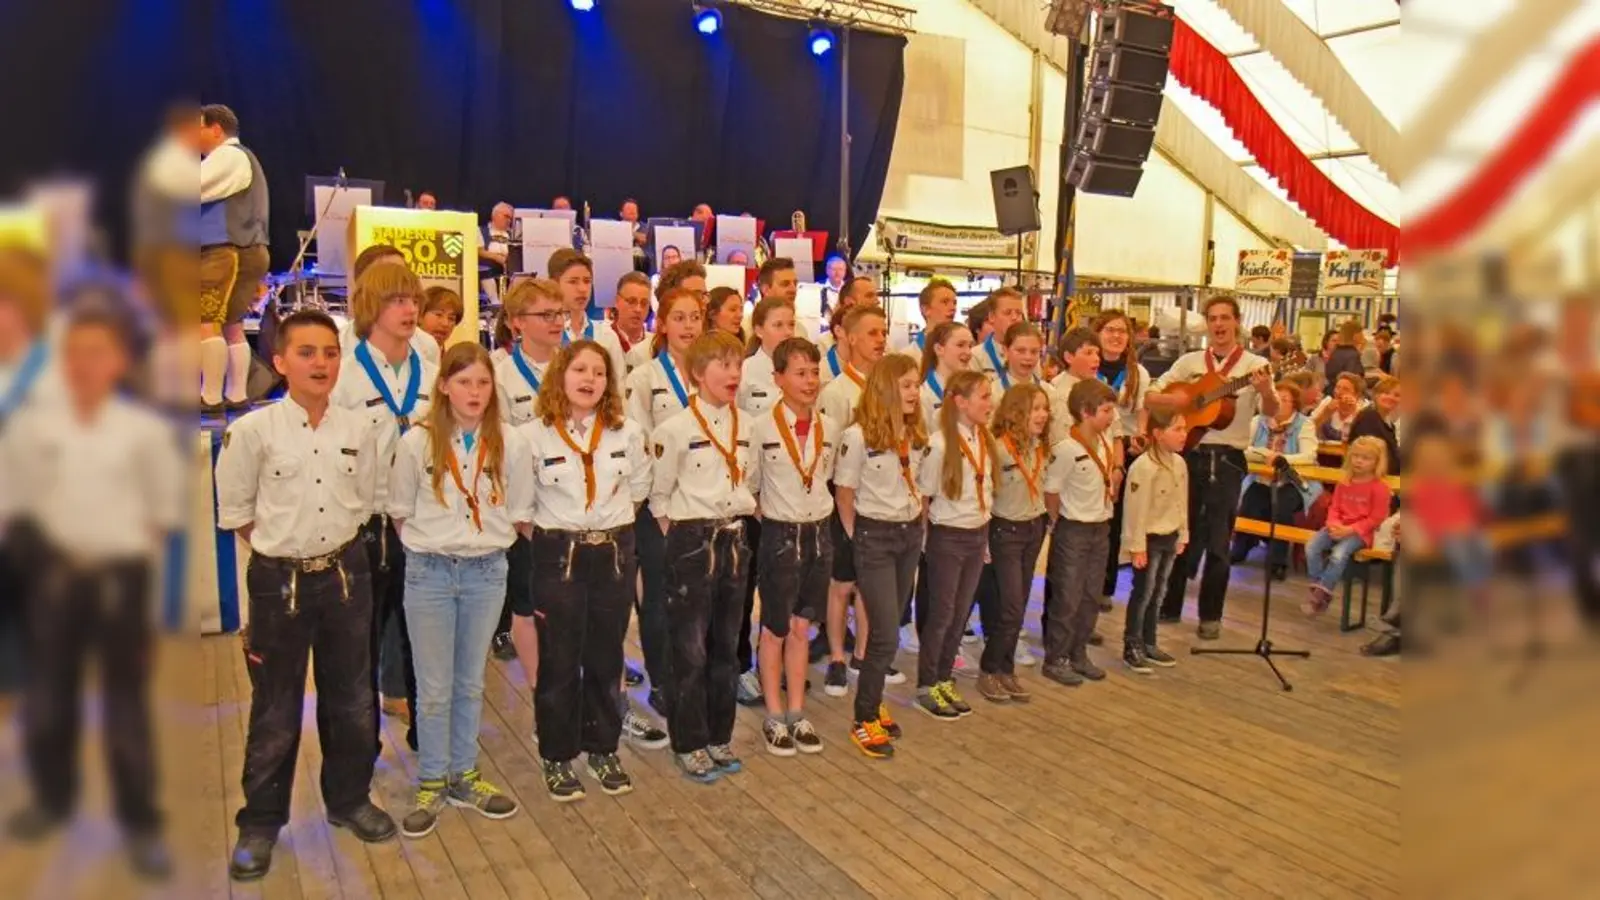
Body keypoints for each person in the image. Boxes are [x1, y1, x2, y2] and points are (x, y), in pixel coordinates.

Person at [215, 309, 397, 882]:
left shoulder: (358, 430)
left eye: (329, 352)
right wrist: (286, 553)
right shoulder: (251, 433)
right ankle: (261, 823)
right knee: (275, 708)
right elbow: (239, 514)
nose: (321, 363)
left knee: (351, 699)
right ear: (279, 361)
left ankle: (349, 800)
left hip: (347, 577)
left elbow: (368, 502)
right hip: (280, 584)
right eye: (307, 353)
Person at [1, 311, 182, 879]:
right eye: (73, 352)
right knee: (48, 700)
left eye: (98, 351)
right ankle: (52, 799)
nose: (84, 364)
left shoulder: (144, 432)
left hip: (120, 581)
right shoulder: (34, 430)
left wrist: (147, 607)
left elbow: (161, 517)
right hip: (51, 580)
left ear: (120, 362)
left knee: (127, 709)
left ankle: (141, 823)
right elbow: (13, 507)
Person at [389, 343, 531, 836]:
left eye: (483, 383)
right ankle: (432, 779)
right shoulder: (416, 442)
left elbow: (520, 506)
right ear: (444, 386)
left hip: (486, 572)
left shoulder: (511, 441)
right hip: (428, 572)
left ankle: (465, 774)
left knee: (471, 681)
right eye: (464, 381)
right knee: (431, 687)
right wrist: (433, 546)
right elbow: (400, 510)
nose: (474, 392)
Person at [520, 340, 657, 801]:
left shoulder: (627, 432)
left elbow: (638, 489)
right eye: (579, 370)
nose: (589, 380)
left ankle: (602, 747)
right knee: (558, 660)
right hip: (559, 555)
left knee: (606, 655)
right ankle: (557, 755)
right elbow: (521, 508)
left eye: (598, 373)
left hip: (613, 553)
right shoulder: (533, 436)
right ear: (560, 376)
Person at [331, 262, 439, 756]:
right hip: (366, 524)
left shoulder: (432, 368)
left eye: (413, 299)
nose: (409, 309)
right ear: (371, 306)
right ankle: (361, 746)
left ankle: (427, 733)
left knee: (422, 635)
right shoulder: (344, 372)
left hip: (419, 521)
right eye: (397, 300)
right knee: (361, 642)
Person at [651, 331, 756, 783]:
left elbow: (749, 483)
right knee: (689, 650)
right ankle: (689, 740)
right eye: (722, 365)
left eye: (737, 365)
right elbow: (658, 497)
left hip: (735, 538)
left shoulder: (748, 426)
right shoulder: (673, 429)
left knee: (727, 649)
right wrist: (684, 540)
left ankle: (719, 734)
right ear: (697, 373)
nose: (733, 374)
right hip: (691, 541)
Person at [1145, 295, 1278, 639]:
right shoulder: (1189, 362)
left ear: (1237, 322)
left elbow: (1274, 412)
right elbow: (1151, 395)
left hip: (1229, 459)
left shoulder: (1253, 365)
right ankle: (1170, 605)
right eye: (1213, 318)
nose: (1219, 325)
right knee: (1177, 533)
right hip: (1188, 454)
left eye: (1225, 318)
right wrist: (1178, 400)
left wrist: (1266, 391)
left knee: (1219, 541)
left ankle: (1210, 615)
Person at [835, 353, 927, 758]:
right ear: (886, 388)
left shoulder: (916, 433)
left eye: (915, 384)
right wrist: (860, 538)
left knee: (892, 626)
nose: (913, 392)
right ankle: (863, 716)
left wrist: (917, 523)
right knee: (884, 632)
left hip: (908, 535)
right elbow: (845, 493)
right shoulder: (857, 436)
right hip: (874, 537)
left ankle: (874, 704)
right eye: (905, 385)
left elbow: (920, 484)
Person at [747, 337, 836, 756]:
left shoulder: (829, 426)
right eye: (800, 373)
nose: (810, 381)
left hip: (819, 532)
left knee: (803, 626)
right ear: (778, 378)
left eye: (814, 372)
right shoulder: (759, 428)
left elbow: (826, 475)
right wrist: (774, 518)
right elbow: (750, 485)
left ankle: (798, 712)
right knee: (774, 628)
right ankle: (773, 714)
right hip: (780, 536)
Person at [623, 285, 705, 717]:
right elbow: (637, 444)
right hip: (659, 510)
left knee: (698, 599)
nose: (688, 326)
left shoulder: (714, 372)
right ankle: (662, 680)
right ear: (662, 324)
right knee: (657, 598)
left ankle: (694, 677)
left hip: (703, 506)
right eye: (679, 317)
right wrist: (656, 507)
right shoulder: (644, 379)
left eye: (695, 317)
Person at [817, 305, 891, 694]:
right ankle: (836, 657)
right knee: (841, 583)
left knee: (869, 583)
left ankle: (864, 652)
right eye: (873, 333)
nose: (880, 340)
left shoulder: (887, 387)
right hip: (843, 497)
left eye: (884, 332)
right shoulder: (836, 392)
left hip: (879, 499)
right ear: (849, 337)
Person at [914, 370, 995, 719]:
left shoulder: (982, 439)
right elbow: (925, 496)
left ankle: (944, 677)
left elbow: (985, 490)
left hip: (977, 533)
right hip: (947, 536)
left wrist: (986, 536)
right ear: (961, 402)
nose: (990, 404)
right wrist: (926, 544)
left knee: (961, 614)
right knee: (941, 614)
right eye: (984, 397)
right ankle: (926, 683)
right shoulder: (940, 444)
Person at [975, 383, 1052, 702]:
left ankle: (1005, 670)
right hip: (1004, 531)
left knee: (1019, 605)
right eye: (1035, 408)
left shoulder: (1040, 447)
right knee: (1008, 606)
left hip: (1033, 526)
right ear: (1017, 411)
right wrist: (984, 538)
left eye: (1045, 408)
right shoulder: (997, 448)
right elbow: (984, 494)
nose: (1043, 415)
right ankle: (989, 668)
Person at [1040, 379, 1120, 686]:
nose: (1111, 416)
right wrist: (1057, 521)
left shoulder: (1103, 443)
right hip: (1073, 529)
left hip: (1100, 527)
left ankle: (1078, 652)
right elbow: (1052, 491)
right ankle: (1056, 657)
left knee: (1090, 596)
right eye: (1106, 410)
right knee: (1067, 595)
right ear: (1086, 412)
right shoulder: (1066, 450)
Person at [196, 104, 270, 413]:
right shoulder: (245, 159)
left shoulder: (228, 155)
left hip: (225, 250)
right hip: (249, 250)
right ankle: (236, 395)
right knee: (232, 323)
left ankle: (210, 397)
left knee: (204, 318)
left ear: (216, 129)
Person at [1120, 410, 1188, 674]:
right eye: (1177, 429)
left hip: (1169, 536)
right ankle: (1132, 644)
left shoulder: (1179, 464)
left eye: (1185, 429)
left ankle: (1149, 641)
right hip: (1148, 539)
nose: (1183, 434)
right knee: (1143, 593)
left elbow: (1182, 502)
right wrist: (1136, 546)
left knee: (1159, 593)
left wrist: (1183, 534)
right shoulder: (1143, 467)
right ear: (1158, 434)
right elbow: (1135, 509)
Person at [1233, 381, 1320, 580]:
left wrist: (1282, 460)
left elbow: (1308, 456)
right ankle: (1241, 547)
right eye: (1274, 398)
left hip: (1294, 482)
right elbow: (1242, 448)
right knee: (1249, 503)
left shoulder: (1304, 424)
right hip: (1261, 478)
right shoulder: (1258, 420)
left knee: (1282, 507)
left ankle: (1278, 561)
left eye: (1284, 399)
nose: (1278, 403)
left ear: (1294, 404)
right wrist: (1265, 454)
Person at [1094, 310, 1151, 603]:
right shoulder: (1089, 366)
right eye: (1110, 330)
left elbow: (1142, 413)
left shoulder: (1136, 372)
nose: (1116, 336)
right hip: (1092, 449)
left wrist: (1139, 437)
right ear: (1098, 333)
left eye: (1122, 331)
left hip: (1124, 448)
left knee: (1115, 522)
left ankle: (1105, 588)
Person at [1304, 436, 1393, 615]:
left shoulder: (1380, 487)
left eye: (1366, 458)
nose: (1359, 461)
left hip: (1360, 533)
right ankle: (1319, 589)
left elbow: (1376, 518)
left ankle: (1320, 595)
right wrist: (1333, 525)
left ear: (1377, 462)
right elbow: (1334, 507)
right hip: (1336, 527)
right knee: (1311, 547)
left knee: (1338, 555)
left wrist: (1350, 530)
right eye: (1356, 456)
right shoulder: (1344, 482)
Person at [549, 248, 627, 378]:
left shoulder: (606, 336)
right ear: (554, 284)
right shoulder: (545, 336)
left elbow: (618, 389)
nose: (582, 289)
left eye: (587, 281)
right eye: (573, 281)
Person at [1348, 375, 1402, 471]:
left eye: (1397, 395)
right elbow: (1370, 456)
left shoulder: (1387, 422)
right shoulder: (1369, 418)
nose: (1391, 397)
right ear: (1375, 395)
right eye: (1386, 393)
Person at [972, 288, 1025, 377]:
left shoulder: (1029, 353)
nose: (1015, 318)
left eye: (1019, 313)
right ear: (992, 317)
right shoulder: (976, 356)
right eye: (1008, 313)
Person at [611, 271, 653, 373]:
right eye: (631, 301)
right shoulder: (600, 341)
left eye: (644, 303)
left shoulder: (656, 345)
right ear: (616, 301)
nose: (638, 309)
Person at [905, 278, 958, 358]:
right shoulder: (910, 356)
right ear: (926, 310)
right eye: (945, 302)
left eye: (954, 303)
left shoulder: (960, 352)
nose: (953, 308)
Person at [1315, 372, 1368, 443]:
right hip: (1325, 450)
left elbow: (1366, 437)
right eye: (1337, 387)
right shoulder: (1327, 402)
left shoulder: (1364, 407)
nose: (1339, 392)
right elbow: (1310, 429)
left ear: (1356, 394)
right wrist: (1326, 412)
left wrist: (1354, 412)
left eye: (1345, 389)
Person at [1323, 320, 1366, 387]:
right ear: (1355, 335)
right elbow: (1353, 380)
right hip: (1346, 393)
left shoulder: (1335, 352)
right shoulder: (1353, 355)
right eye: (1361, 333)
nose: (1363, 336)